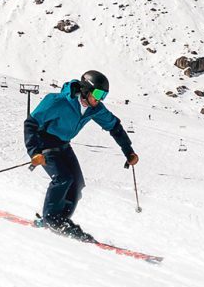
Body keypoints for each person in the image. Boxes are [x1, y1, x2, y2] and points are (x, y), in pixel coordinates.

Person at [24, 69, 138, 242]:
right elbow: (31, 123)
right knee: (63, 178)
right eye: (98, 93)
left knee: (77, 184)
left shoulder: (95, 108)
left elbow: (114, 126)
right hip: (44, 141)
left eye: (104, 95)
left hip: (63, 144)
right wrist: (34, 152)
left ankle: (61, 220)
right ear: (86, 89)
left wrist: (128, 151)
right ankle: (51, 219)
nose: (100, 99)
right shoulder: (57, 102)